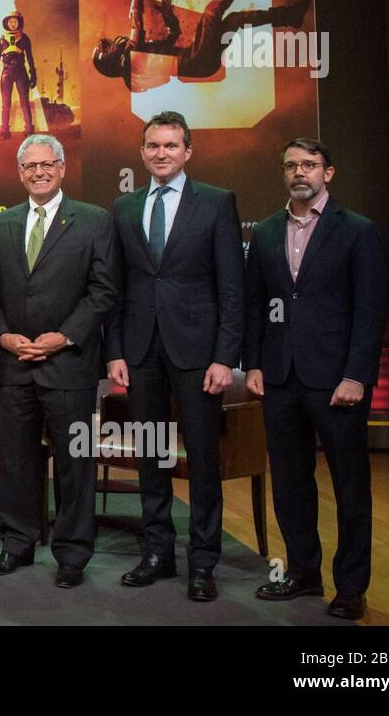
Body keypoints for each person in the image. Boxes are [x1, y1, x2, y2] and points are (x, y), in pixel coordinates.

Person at [244, 138, 388, 621]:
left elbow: (371, 310)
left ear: (329, 173)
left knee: (350, 485)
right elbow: (255, 305)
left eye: (310, 165)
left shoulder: (358, 231)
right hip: (281, 378)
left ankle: (350, 586)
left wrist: (357, 375)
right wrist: (256, 363)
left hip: (337, 382)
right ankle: (304, 573)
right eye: (291, 165)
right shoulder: (264, 232)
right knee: (289, 482)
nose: (299, 172)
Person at [105, 110, 245, 601]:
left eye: (170, 146)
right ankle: (158, 553)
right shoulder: (124, 206)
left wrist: (226, 356)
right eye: (152, 146)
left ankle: (203, 562)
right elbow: (117, 288)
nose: (160, 153)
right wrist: (115, 351)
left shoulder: (216, 203)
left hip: (199, 354)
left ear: (187, 151)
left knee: (203, 460)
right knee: (151, 455)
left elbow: (232, 287)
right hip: (140, 352)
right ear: (142, 152)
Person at [0, 135, 118, 587]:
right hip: (15, 363)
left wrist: (64, 337)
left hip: (70, 365)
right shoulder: (0, 225)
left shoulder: (95, 220)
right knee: (16, 461)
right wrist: (2, 335)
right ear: (20, 172)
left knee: (74, 463)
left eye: (47, 164)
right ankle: (16, 544)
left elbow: (103, 292)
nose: (38, 172)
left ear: (61, 168)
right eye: (30, 166)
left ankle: (72, 554)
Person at [91, 0, 312, 89]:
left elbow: (173, 35)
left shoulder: (139, 63)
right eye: (108, 48)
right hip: (197, 60)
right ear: (110, 60)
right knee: (212, 12)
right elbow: (136, 28)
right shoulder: (130, 66)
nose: (113, 44)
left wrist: (168, 17)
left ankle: (289, 15)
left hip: (198, 60)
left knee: (233, 19)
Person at [0, 12, 37, 139]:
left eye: (15, 21)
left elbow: (30, 58)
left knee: (24, 102)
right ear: (6, 23)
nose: (13, 24)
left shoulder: (24, 38)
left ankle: (29, 129)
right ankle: (4, 131)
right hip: (6, 73)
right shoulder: (2, 38)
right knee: (6, 104)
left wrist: (33, 73)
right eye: (10, 22)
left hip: (21, 72)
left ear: (19, 22)